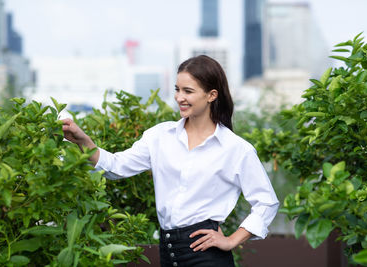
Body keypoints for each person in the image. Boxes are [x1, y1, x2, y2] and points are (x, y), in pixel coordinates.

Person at [62, 55, 279, 267]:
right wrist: (83, 141)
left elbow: (267, 202)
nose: (179, 97)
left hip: (207, 256)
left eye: (188, 91)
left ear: (212, 95)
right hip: (168, 251)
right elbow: (117, 167)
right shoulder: (160, 136)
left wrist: (231, 240)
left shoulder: (235, 149)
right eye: (177, 89)